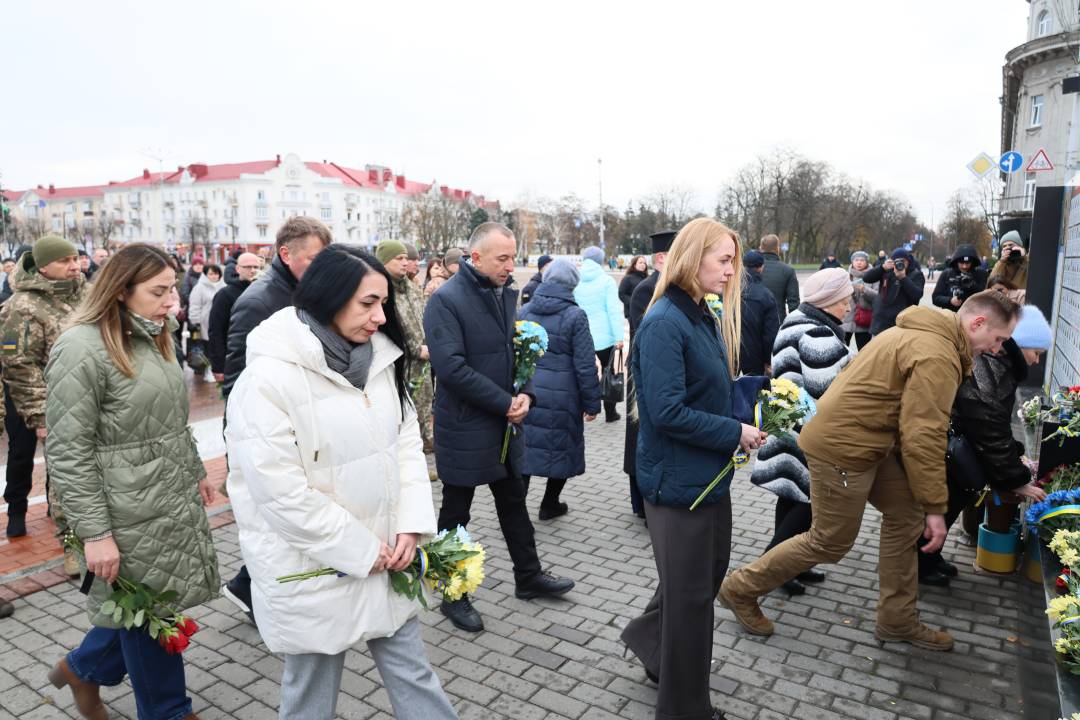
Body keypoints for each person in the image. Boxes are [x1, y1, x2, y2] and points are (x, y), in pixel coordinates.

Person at [225, 245, 457, 720]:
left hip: (390, 552)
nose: (379, 316)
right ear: (328, 297)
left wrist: (411, 526)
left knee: (415, 676)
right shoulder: (267, 380)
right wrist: (360, 549)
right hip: (316, 567)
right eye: (367, 303)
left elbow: (405, 445)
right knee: (310, 693)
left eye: (383, 303)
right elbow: (279, 493)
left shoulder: (379, 362)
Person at [720, 291, 1021, 651]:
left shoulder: (928, 334)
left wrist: (924, 504)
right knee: (830, 540)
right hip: (844, 449)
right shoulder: (936, 354)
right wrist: (937, 507)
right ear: (977, 323)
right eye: (999, 338)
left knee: (906, 516)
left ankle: (897, 619)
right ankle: (739, 588)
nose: (997, 349)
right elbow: (923, 436)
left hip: (872, 444)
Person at [44, 243, 219, 720]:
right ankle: (170, 712)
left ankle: (82, 668)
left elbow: (168, 420)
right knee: (151, 613)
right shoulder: (81, 348)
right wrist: (96, 534)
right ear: (121, 291)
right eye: (159, 292)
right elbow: (68, 450)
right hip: (121, 509)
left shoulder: (156, 333)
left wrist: (196, 470)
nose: (172, 302)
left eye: (172, 291)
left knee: (143, 607)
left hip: (165, 497)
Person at [621, 218, 765, 720]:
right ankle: (684, 707)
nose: (732, 271)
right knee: (691, 603)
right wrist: (734, 432)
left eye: (733, 261)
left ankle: (649, 641)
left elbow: (706, 388)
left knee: (700, 581)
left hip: (706, 477)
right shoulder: (665, 320)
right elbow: (664, 412)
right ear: (691, 257)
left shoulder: (699, 312)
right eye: (724, 260)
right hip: (678, 483)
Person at [422, 222, 574, 634]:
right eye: (503, 258)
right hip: (466, 427)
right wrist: (505, 402)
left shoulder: (504, 295)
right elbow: (450, 368)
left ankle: (528, 576)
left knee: (513, 503)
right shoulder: (446, 300)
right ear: (476, 258)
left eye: (513, 256)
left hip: (506, 425)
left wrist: (526, 393)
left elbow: (517, 350)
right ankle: (452, 594)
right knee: (456, 514)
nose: (512, 266)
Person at [220, 217, 331, 623]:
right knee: (274, 522)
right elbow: (238, 379)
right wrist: (246, 440)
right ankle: (255, 593)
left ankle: (251, 587)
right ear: (286, 254)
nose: (322, 267)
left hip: (302, 422)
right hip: (269, 432)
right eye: (314, 258)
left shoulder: (304, 291)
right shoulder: (259, 301)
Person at [917, 304, 1049, 586]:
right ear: (1019, 343)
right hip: (958, 450)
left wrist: (1014, 454)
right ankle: (921, 565)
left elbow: (992, 425)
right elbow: (987, 425)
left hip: (964, 448)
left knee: (950, 506)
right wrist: (1016, 476)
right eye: (1036, 353)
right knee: (944, 506)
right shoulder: (993, 366)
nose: (1037, 361)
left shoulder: (1001, 365)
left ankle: (929, 558)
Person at [749, 268, 853, 596]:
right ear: (830, 300)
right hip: (807, 428)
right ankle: (769, 570)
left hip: (788, 419)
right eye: (845, 300)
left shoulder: (797, 318)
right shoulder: (817, 333)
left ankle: (794, 565)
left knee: (791, 494)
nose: (848, 307)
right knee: (809, 503)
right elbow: (828, 390)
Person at [0, 235, 86, 571]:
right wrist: (40, 416)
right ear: (44, 265)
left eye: (76, 258)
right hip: (55, 405)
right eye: (65, 261)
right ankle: (70, 546)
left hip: (92, 398)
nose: (74, 266)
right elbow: (18, 365)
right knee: (64, 477)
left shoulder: (84, 293)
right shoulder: (19, 308)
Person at [518, 259, 602, 520]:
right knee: (562, 451)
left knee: (525, 452)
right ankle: (549, 504)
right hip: (564, 397)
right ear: (572, 285)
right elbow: (585, 364)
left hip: (527, 392)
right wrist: (592, 403)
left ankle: (516, 512)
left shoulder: (525, 310)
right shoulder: (575, 315)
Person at [624, 230, 676, 520]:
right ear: (661, 258)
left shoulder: (671, 285)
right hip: (643, 370)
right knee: (639, 436)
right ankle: (640, 502)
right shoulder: (647, 288)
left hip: (655, 369)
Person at [377, 240, 434, 453]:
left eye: (406, 258)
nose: (405, 263)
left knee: (423, 406)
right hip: (400, 363)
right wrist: (414, 349)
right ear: (384, 261)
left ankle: (424, 449)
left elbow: (422, 318)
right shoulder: (383, 290)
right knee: (401, 413)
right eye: (399, 258)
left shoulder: (411, 287)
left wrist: (428, 344)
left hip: (423, 360)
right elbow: (388, 329)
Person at [574, 246, 624, 422]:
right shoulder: (606, 280)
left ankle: (582, 410)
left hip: (581, 334)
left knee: (581, 372)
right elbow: (614, 311)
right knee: (608, 372)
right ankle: (610, 413)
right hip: (605, 336)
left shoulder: (576, 278)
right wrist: (619, 337)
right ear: (601, 260)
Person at [208, 253, 261, 383]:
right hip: (234, 358)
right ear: (238, 269)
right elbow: (216, 330)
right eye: (248, 267)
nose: (253, 270)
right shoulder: (224, 295)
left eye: (256, 266)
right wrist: (218, 366)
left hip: (259, 358)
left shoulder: (264, 291)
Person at [860, 248, 925, 336]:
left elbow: (917, 295)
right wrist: (882, 267)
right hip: (880, 322)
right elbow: (866, 278)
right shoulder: (887, 271)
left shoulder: (916, 275)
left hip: (902, 322)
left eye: (903, 261)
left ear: (908, 261)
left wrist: (903, 278)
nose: (900, 263)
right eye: (896, 261)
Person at [737, 251, 780, 376]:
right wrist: (768, 360)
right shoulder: (766, 295)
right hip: (755, 356)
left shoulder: (731, 291)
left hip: (732, 353)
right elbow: (770, 334)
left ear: (743, 266)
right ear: (761, 267)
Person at [186, 263, 223, 376]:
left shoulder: (224, 286)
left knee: (218, 347)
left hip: (221, 323)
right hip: (205, 323)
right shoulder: (199, 287)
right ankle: (207, 370)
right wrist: (196, 322)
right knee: (206, 348)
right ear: (205, 274)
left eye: (216, 273)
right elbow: (195, 305)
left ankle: (217, 370)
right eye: (210, 274)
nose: (214, 276)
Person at [932, 245, 988, 313]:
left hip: (974, 315)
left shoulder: (980, 274)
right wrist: (950, 301)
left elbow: (986, 297)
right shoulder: (947, 274)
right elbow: (935, 298)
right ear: (956, 261)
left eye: (967, 263)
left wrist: (972, 286)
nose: (964, 266)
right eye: (961, 263)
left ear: (973, 262)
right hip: (951, 316)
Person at [840, 251, 878, 350]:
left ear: (867, 262)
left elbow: (878, 297)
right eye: (856, 260)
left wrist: (864, 289)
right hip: (846, 319)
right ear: (852, 262)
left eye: (862, 260)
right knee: (842, 349)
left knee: (863, 352)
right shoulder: (845, 275)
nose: (859, 262)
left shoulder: (874, 276)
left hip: (864, 320)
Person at [759, 234, 799, 320]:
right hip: (777, 321)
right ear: (777, 248)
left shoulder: (749, 269)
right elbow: (794, 304)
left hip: (752, 323)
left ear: (761, 248)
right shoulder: (788, 270)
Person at [618, 255, 649, 320]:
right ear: (634, 265)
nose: (643, 264)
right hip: (632, 312)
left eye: (644, 263)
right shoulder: (628, 278)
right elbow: (621, 294)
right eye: (640, 262)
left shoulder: (647, 278)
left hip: (645, 312)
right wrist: (633, 303)